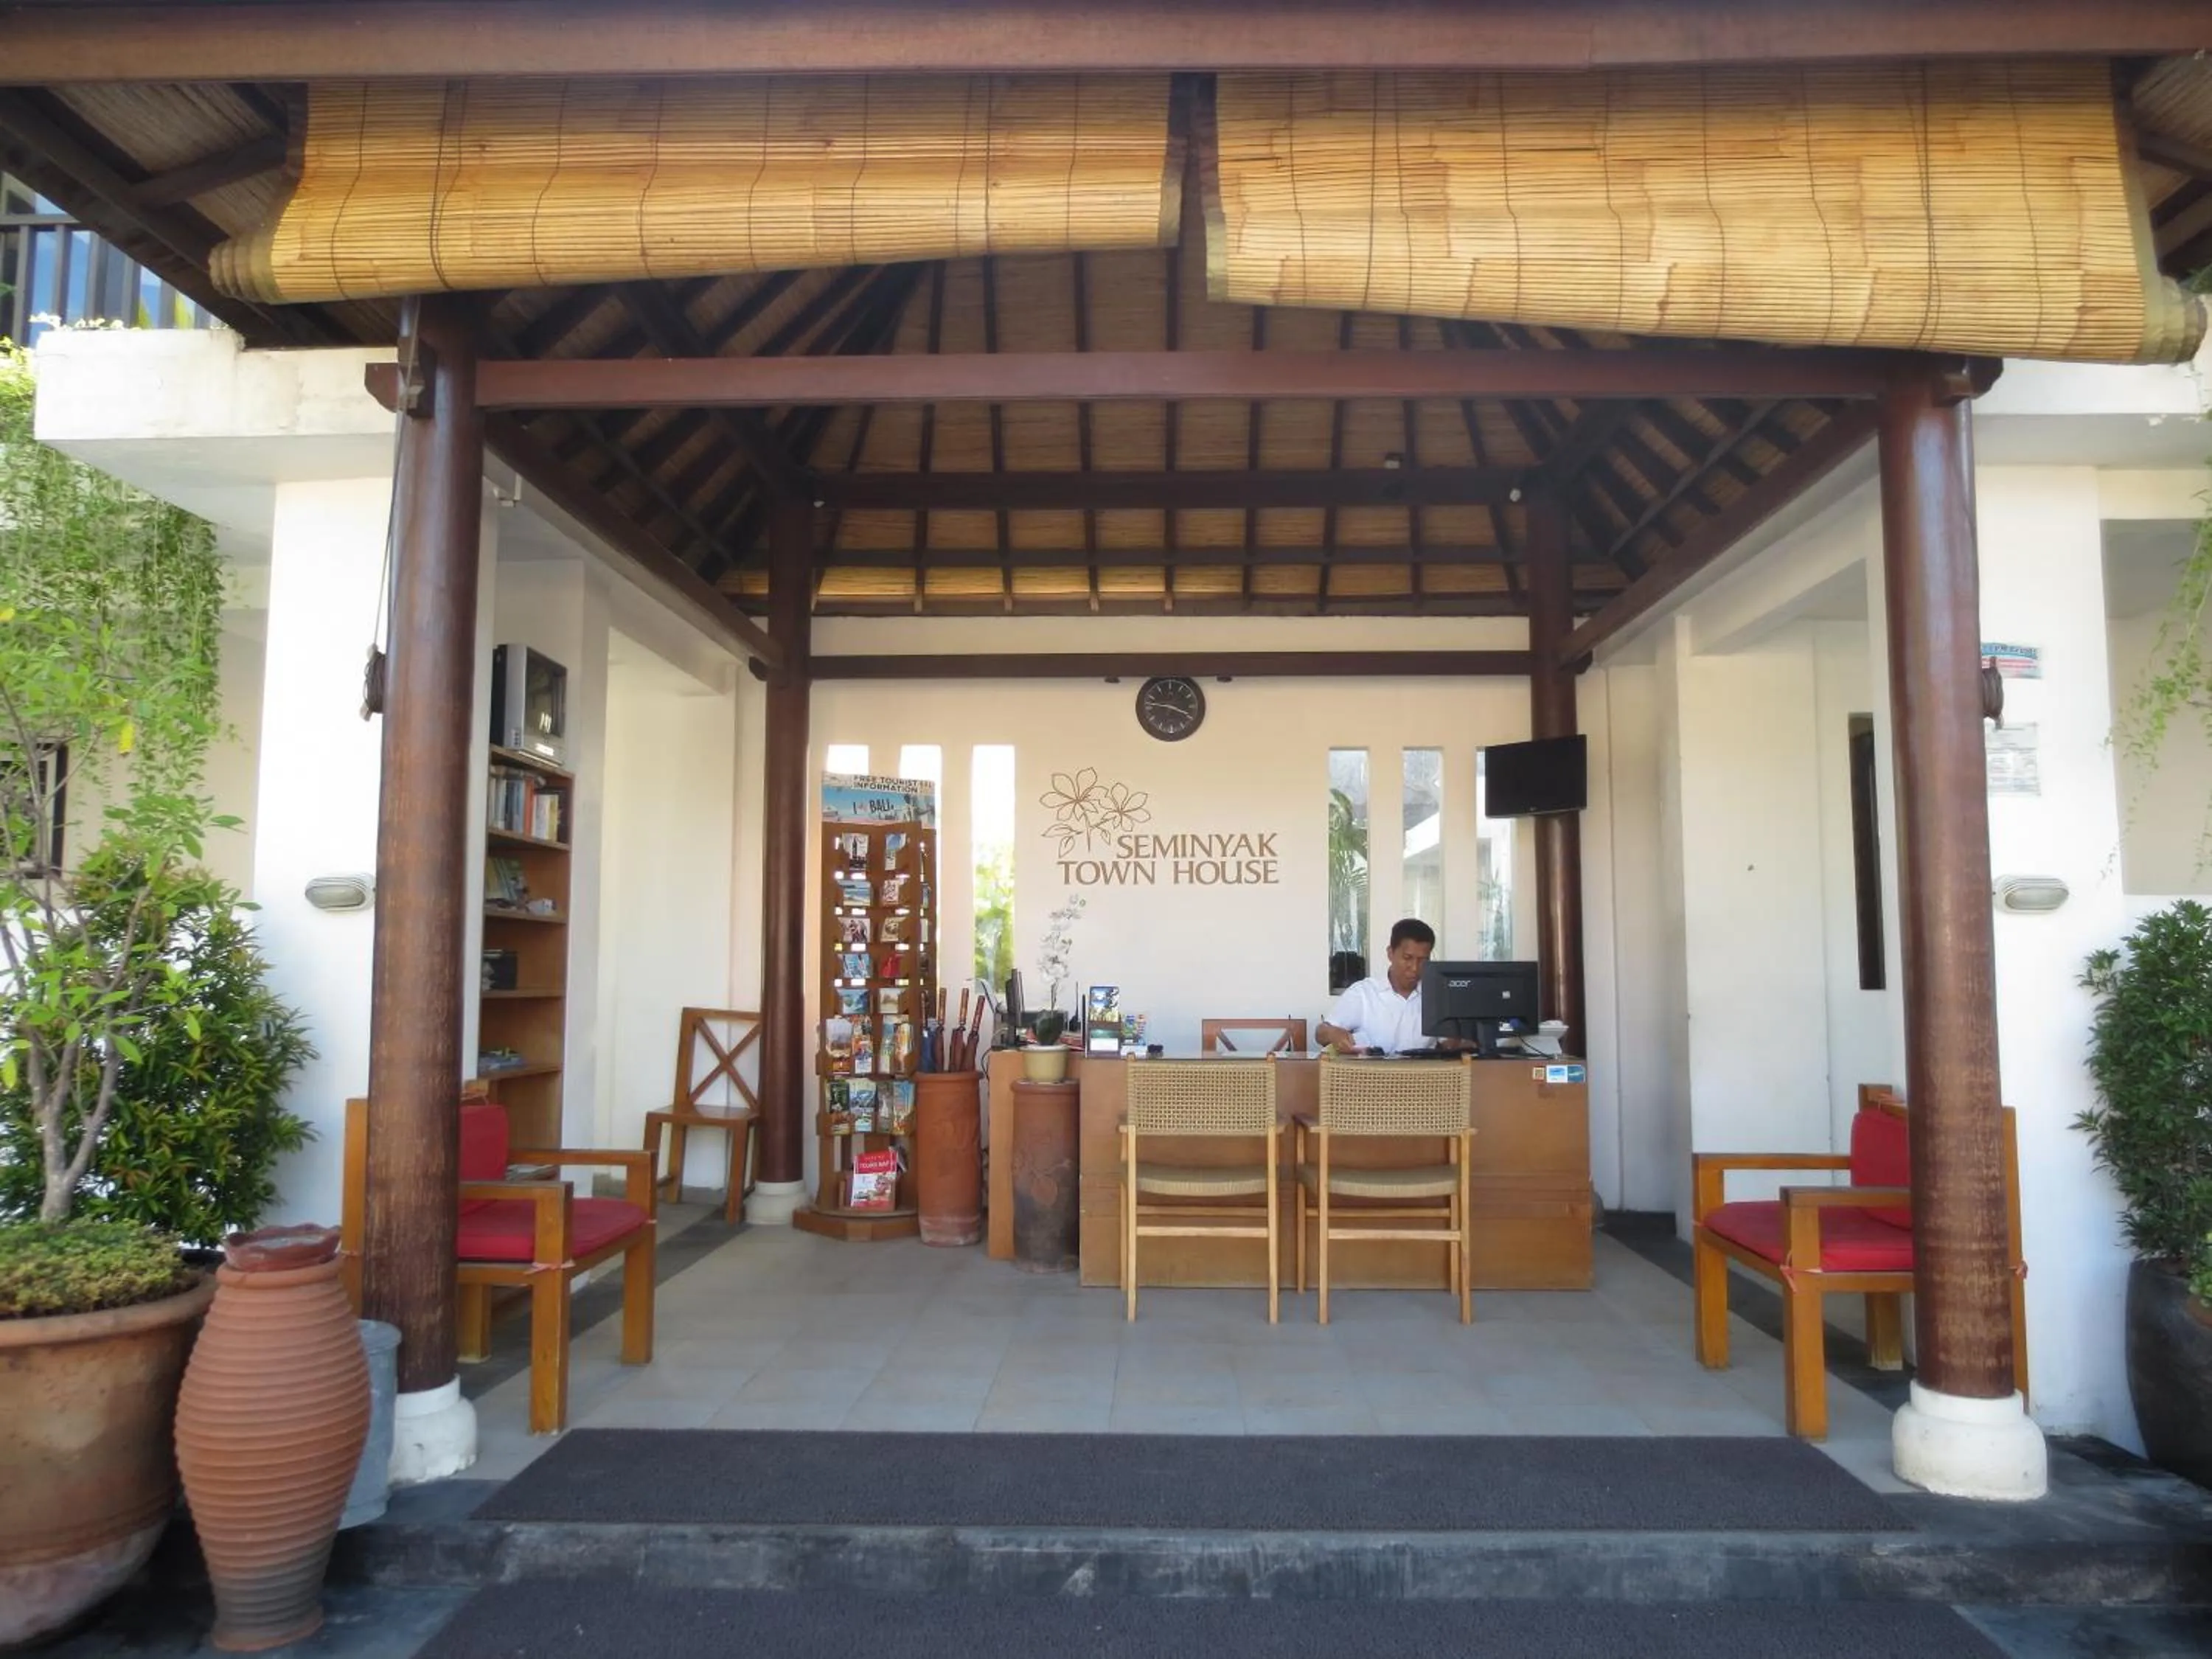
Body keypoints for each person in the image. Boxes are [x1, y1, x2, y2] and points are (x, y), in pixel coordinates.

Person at [1318, 918, 1447, 1054]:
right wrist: (1333, 1033)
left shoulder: (1437, 996)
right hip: (1370, 1074)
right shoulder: (1363, 994)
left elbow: (1449, 1044)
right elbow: (1321, 1033)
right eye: (1407, 958)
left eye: (1422, 960)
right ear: (1390, 953)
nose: (1415, 968)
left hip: (1424, 1075)